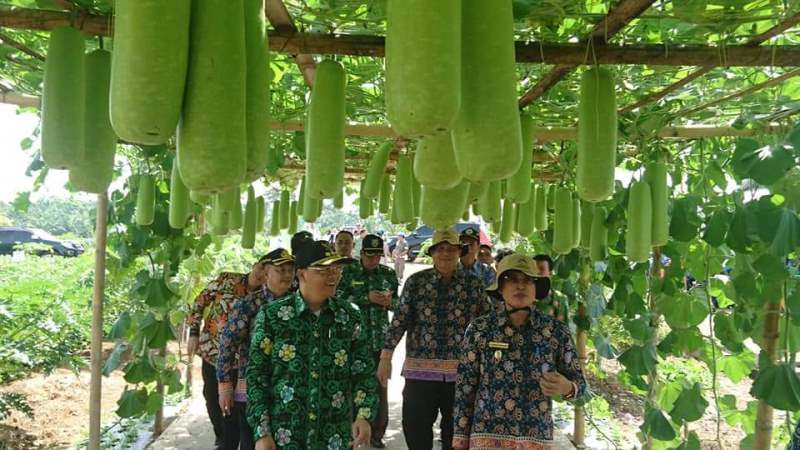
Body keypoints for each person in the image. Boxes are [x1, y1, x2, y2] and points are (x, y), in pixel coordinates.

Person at [246, 241, 377, 450]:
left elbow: (363, 372)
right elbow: (257, 375)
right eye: (324, 270)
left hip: (334, 436)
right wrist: (262, 432)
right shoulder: (272, 316)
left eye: (337, 269)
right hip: (285, 435)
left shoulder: (350, 316)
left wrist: (364, 415)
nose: (334, 276)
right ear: (302, 274)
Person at [452, 254, 587, 449]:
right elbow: (465, 388)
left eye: (527, 280)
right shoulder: (479, 330)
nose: (520, 286)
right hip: (486, 438)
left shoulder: (556, 332)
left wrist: (567, 387)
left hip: (536, 439)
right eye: (512, 279)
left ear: (536, 290)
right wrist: (459, 440)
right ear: (500, 287)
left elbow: (580, 384)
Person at [378, 228, 491, 450]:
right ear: (433, 253)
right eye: (441, 249)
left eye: (452, 249)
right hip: (419, 374)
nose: (446, 254)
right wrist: (385, 357)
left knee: (457, 437)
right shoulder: (416, 282)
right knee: (415, 429)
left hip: (462, 375)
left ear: (460, 252)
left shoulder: (474, 285)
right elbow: (399, 320)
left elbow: (486, 326)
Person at [187, 259, 271, 449]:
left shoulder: (265, 296)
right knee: (211, 397)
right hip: (212, 353)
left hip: (240, 362)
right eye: (260, 268)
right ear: (254, 265)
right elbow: (200, 302)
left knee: (233, 405)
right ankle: (220, 434)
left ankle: (227, 442)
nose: (260, 274)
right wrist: (193, 333)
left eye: (266, 272)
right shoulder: (227, 279)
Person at [216, 249, 295, 450]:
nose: (287, 275)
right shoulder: (249, 304)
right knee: (253, 442)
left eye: (290, 270)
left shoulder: (299, 304)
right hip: (251, 389)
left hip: (289, 387)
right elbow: (227, 344)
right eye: (281, 270)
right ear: (266, 274)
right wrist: (224, 385)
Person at [337, 234, 399, 449]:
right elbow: (338, 300)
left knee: (380, 387)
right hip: (353, 340)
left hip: (380, 340)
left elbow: (400, 306)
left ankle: (377, 433)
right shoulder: (348, 272)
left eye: (377, 256)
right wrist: (366, 297)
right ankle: (352, 430)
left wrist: (391, 302)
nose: (374, 260)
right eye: (370, 256)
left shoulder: (389, 275)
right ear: (361, 253)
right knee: (352, 386)